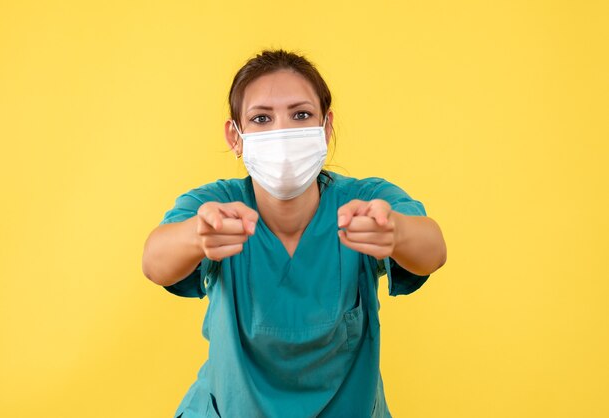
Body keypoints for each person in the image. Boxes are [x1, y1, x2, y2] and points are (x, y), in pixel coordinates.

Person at [142, 49, 447, 418]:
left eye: (301, 115)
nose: (283, 133)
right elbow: (155, 261)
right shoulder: (217, 205)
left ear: (326, 127)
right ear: (235, 137)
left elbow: (433, 249)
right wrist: (197, 236)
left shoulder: (363, 201)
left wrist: (395, 233)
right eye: (261, 118)